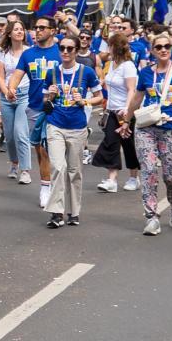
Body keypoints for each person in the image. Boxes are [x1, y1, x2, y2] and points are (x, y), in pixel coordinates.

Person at [121, 30, 172, 236]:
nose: (163, 50)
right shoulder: (146, 73)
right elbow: (137, 99)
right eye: (158, 47)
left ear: (171, 48)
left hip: (171, 128)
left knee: (170, 175)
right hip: (146, 128)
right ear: (152, 51)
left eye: (167, 46)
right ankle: (151, 216)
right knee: (148, 171)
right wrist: (126, 121)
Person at [39, 32, 99, 229]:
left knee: (74, 171)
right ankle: (56, 212)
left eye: (69, 48)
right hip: (55, 124)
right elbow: (44, 101)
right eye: (62, 48)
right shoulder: (52, 72)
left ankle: (74, 211)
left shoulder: (86, 72)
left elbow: (100, 97)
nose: (65, 52)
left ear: (76, 50)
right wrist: (50, 97)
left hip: (77, 127)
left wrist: (85, 101)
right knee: (58, 167)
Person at [7, 15, 63, 208]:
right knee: (41, 149)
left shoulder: (61, 51)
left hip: (59, 108)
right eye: (36, 27)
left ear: (52, 31)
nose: (37, 31)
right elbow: (17, 75)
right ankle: (46, 185)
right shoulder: (28, 54)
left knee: (54, 150)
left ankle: (53, 185)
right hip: (35, 107)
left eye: (42, 27)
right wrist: (11, 89)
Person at [90, 31, 141, 194]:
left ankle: (134, 177)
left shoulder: (128, 66)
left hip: (126, 112)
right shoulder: (112, 64)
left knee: (129, 145)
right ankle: (112, 180)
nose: (107, 49)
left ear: (114, 47)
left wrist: (128, 109)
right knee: (111, 142)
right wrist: (104, 82)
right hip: (112, 111)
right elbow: (111, 83)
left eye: (109, 46)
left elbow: (131, 90)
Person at [0, 18, 32, 185]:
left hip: (24, 95)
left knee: (20, 133)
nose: (19, 31)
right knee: (9, 136)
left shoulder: (30, 52)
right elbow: (0, 77)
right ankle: (14, 164)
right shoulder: (3, 53)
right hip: (7, 97)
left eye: (21, 29)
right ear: (9, 33)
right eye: (16, 29)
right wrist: (7, 91)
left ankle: (25, 170)